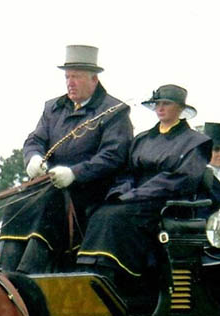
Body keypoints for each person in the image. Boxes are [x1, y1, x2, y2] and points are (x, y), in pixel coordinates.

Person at [1, 44, 132, 274]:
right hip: (51, 186)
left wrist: (75, 174)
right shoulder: (53, 108)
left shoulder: (114, 111)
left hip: (92, 191)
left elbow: (113, 156)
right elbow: (34, 140)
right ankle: (3, 274)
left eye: (77, 77)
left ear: (94, 80)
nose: (70, 82)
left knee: (48, 204)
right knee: (16, 204)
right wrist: (33, 158)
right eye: (68, 77)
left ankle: (27, 275)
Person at [75, 84, 211, 304]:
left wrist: (136, 195)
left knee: (115, 217)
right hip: (133, 198)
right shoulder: (142, 139)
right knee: (100, 211)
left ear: (180, 108)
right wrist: (122, 192)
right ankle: (91, 270)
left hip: (166, 202)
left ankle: (114, 278)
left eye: (166, 103)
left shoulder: (196, 142)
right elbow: (126, 172)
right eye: (158, 103)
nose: (160, 108)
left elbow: (181, 179)